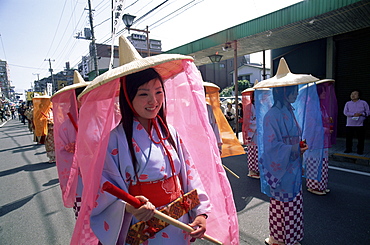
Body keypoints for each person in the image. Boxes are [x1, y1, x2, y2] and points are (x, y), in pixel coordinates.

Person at [70, 36, 238, 245]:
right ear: (128, 98)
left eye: (159, 92)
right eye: (143, 94)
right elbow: (104, 190)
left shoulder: (171, 133)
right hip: (143, 229)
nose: (154, 101)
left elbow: (190, 173)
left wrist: (201, 214)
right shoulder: (114, 139)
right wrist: (130, 207)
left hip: (179, 223)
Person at [254, 58, 321, 245]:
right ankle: (281, 238)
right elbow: (270, 146)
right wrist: (294, 147)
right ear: (283, 91)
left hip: (291, 164)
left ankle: (283, 237)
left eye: (295, 90)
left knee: (289, 203)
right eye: (292, 91)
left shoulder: (288, 110)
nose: (295, 94)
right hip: (283, 166)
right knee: (283, 205)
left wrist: (297, 146)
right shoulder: (272, 115)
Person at [306, 80, 337, 195]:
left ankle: (321, 185)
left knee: (323, 162)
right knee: (315, 162)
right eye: (323, 92)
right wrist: (325, 129)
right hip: (315, 140)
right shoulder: (311, 106)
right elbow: (311, 126)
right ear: (317, 93)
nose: (325, 94)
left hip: (322, 138)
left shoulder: (321, 106)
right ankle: (314, 186)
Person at [343, 90, 369, 155]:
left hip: (360, 123)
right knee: (349, 137)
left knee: (360, 138)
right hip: (350, 123)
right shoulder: (348, 103)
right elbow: (345, 112)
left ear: (359, 95)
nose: (353, 95)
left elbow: (368, 112)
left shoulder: (363, 103)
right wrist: (353, 114)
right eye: (352, 94)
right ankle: (348, 148)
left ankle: (360, 150)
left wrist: (361, 114)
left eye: (355, 94)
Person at [241, 88, 259, 179]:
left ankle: (258, 169)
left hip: (259, 132)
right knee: (253, 151)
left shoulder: (261, 106)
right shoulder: (249, 106)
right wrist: (258, 122)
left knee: (259, 152)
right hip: (253, 133)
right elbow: (247, 121)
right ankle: (252, 170)